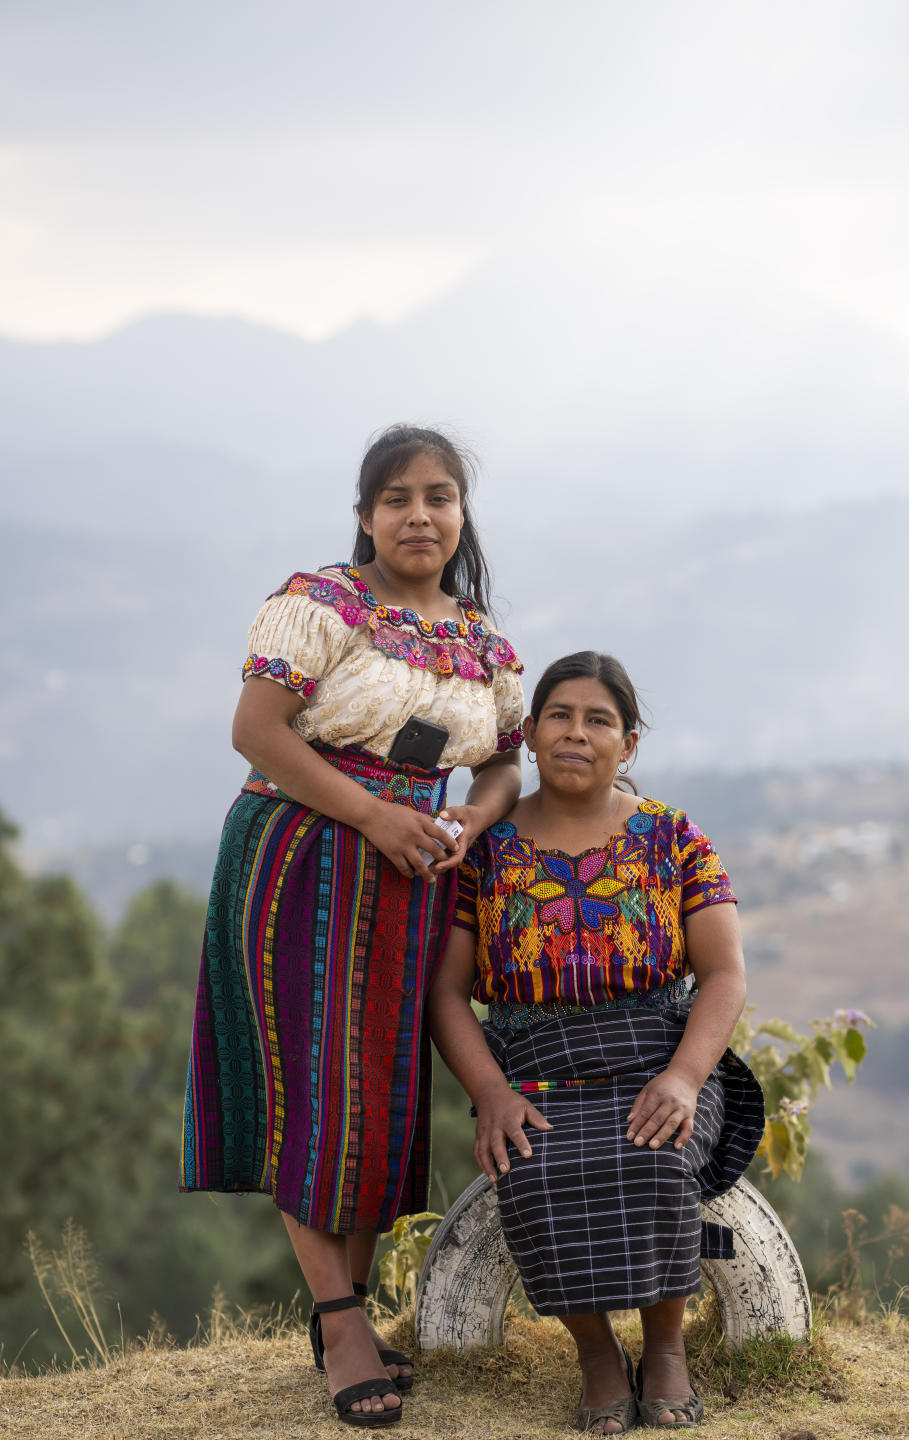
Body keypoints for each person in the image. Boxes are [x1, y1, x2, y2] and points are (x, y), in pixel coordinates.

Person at [180, 425, 524, 1428]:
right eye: (398, 498)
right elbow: (255, 730)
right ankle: (339, 1322)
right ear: (366, 516)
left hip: (416, 868)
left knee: (378, 1090)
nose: (420, 515)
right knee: (312, 1082)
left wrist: (475, 813)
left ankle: (351, 1312)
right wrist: (372, 813)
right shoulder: (318, 606)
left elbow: (503, 761)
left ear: (461, 514)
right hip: (302, 856)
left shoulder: (481, 637)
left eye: (440, 496)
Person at [428, 651, 764, 1434]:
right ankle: (596, 1356)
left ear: (630, 743)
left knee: (655, 1153)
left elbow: (724, 974)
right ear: (532, 734)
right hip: (534, 1070)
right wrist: (489, 1094)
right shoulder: (488, 849)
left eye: (599, 720)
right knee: (537, 1168)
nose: (577, 734)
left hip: (658, 1054)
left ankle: (667, 1346)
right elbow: (445, 992)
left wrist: (683, 1078)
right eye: (560, 716)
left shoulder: (670, 834)